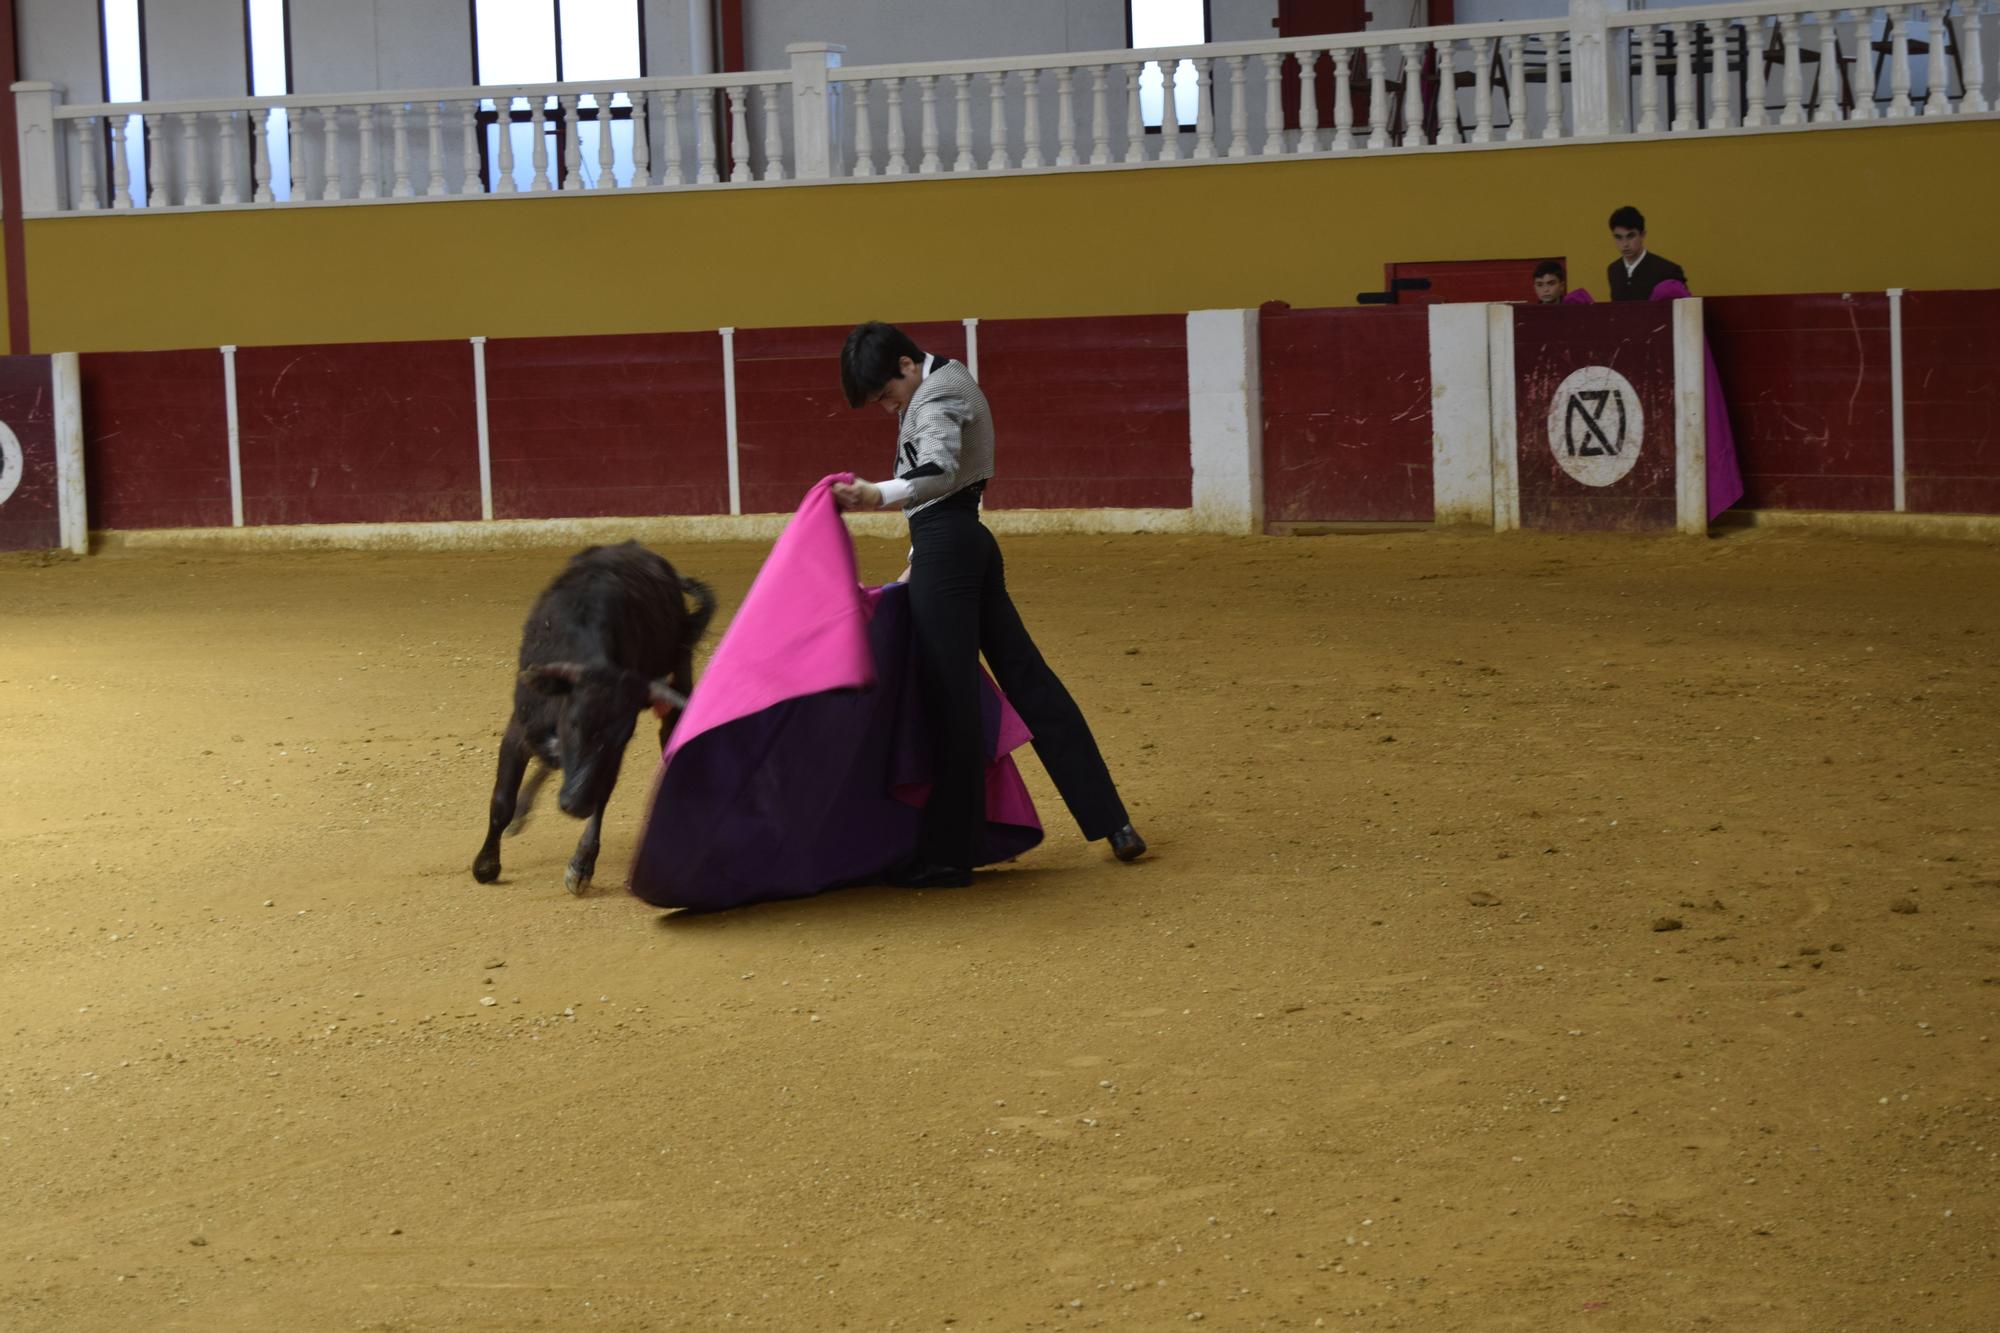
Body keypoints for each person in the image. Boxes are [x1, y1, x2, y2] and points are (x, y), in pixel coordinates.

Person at [830, 322, 1146, 889]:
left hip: (951, 548)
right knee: (1030, 681)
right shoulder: (948, 378)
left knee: (948, 699)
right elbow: (943, 500)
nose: (886, 408)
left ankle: (952, 854)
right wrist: (914, 563)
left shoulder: (938, 393)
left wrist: (877, 493)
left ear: (906, 364)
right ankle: (1112, 820)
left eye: (885, 394)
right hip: (961, 544)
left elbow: (941, 467)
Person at [1606, 205, 1688, 302]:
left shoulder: (1668, 270)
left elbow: (1684, 311)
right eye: (1618, 237)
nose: (1625, 244)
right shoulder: (1613, 270)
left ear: (1642, 235)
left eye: (1630, 236)